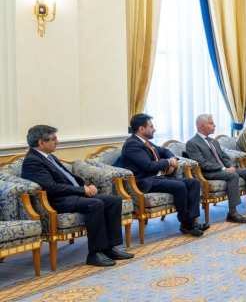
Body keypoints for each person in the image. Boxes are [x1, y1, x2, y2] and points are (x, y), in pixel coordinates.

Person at [21, 125, 133, 267]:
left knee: (114, 201)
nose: (57, 142)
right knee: (95, 204)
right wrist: (82, 191)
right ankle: (94, 253)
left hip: (71, 195)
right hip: (57, 201)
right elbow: (52, 188)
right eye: (54, 139)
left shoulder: (49, 157)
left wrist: (86, 186)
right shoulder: (32, 161)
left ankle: (109, 248)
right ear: (41, 142)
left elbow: (69, 178)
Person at [118, 113, 205, 236]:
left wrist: (172, 161)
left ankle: (192, 221)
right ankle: (185, 224)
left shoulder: (146, 142)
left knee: (194, 183)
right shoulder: (132, 145)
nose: (154, 129)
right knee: (180, 186)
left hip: (157, 178)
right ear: (141, 129)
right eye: (151, 126)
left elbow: (165, 151)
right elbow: (148, 166)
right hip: (145, 181)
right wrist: (168, 162)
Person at [185, 114, 246, 223]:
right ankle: (232, 213)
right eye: (211, 123)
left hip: (224, 169)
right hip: (209, 173)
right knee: (233, 176)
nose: (214, 125)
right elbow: (202, 163)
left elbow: (224, 156)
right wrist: (223, 169)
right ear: (202, 126)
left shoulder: (213, 141)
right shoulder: (192, 143)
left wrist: (231, 166)